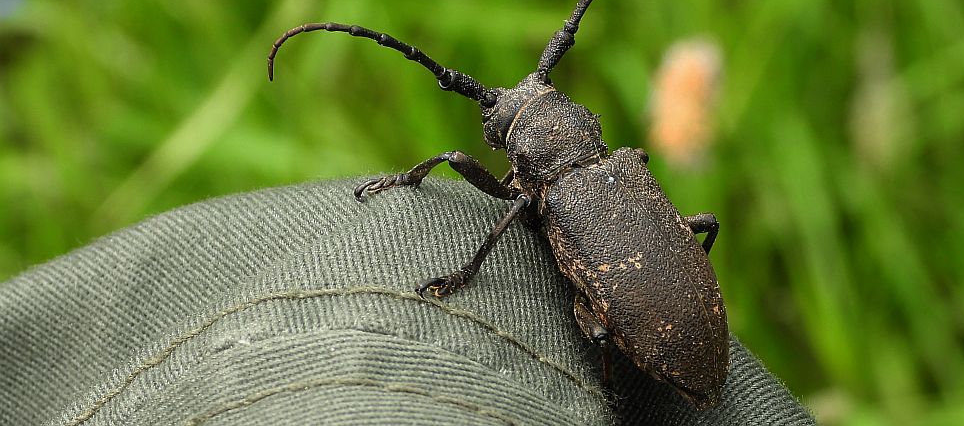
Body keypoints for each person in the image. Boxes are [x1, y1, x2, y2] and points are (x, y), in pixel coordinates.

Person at [0, 177, 814, 425]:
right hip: (694, 338)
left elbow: (507, 217)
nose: (494, 118)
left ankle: (615, 380)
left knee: (590, 310)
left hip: (662, 344)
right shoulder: (617, 170)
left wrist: (461, 280)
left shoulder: (549, 200)